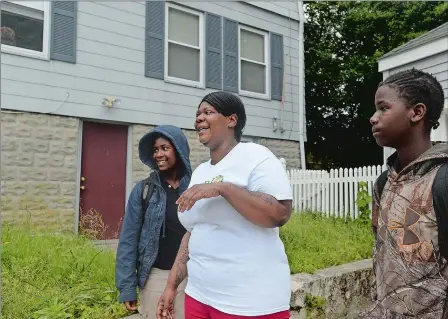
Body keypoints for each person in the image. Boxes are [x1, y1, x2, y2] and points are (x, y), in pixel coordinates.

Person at [157, 91, 293, 319]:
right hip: (199, 295)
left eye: (208, 112)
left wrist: (224, 188)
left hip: (248, 301)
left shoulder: (255, 156)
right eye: (197, 114)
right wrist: (172, 286)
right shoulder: (201, 172)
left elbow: (279, 213)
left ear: (232, 120)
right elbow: (193, 233)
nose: (199, 118)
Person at [359, 68, 448, 318]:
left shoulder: (442, 180)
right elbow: (381, 256)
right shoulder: (384, 182)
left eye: (383, 108)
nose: (373, 118)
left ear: (417, 112)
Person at [116, 125, 192, 319]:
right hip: (155, 276)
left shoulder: (195, 187)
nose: (159, 154)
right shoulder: (144, 190)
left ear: (179, 149)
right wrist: (127, 286)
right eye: (156, 150)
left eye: (165, 148)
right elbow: (128, 239)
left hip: (192, 277)